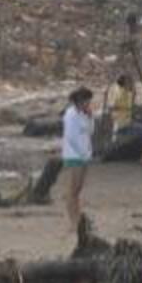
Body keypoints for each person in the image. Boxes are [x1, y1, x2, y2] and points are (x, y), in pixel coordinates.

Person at [61, 86, 95, 233]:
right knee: (72, 189)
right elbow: (71, 136)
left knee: (78, 189)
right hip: (74, 155)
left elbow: (90, 130)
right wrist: (82, 153)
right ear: (79, 101)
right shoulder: (71, 114)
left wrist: (90, 117)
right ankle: (73, 221)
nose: (88, 104)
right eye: (86, 101)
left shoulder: (83, 113)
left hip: (84, 154)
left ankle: (78, 219)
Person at [108, 74, 142, 166]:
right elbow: (112, 106)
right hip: (122, 124)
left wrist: (133, 95)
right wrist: (125, 108)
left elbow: (130, 107)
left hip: (126, 121)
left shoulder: (126, 93)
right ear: (126, 83)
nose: (133, 84)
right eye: (131, 82)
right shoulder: (119, 92)